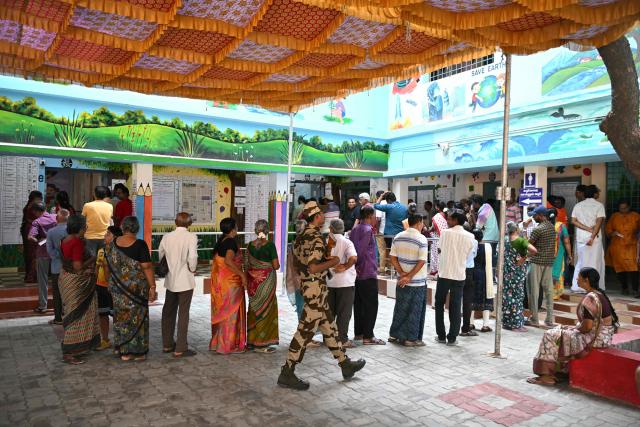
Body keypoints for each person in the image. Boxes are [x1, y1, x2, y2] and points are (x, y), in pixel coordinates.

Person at [278, 201, 365, 391]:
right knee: (304, 332)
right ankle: (287, 372)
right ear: (316, 217)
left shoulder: (301, 237)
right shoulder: (316, 238)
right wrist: (333, 260)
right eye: (322, 215)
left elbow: (304, 264)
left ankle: (345, 364)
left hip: (310, 288)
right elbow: (313, 267)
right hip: (315, 290)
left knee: (329, 328)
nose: (324, 217)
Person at [528, 268, 618, 386]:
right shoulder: (599, 294)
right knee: (561, 330)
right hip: (603, 337)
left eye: (579, 277)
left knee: (551, 334)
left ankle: (546, 375)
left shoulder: (590, 298)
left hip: (594, 339)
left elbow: (587, 327)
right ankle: (558, 371)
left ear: (586, 280)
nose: (576, 279)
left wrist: (573, 329)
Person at [104, 216, 156, 361]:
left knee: (120, 317)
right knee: (138, 318)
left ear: (123, 227)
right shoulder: (140, 244)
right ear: (136, 228)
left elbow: (106, 266)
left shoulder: (111, 244)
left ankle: (123, 350)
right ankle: (137, 352)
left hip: (118, 289)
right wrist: (152, 286)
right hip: (137, 290)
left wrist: (110, 283)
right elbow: (146, 266)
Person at [58, 215, 100, 364]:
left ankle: (77, 348)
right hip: (76, 282)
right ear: (80, 228)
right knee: (76, 315)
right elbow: (77, 266)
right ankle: (70, 352)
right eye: (85, 226)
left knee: (72, 312)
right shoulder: (76, 242)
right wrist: (93, 259)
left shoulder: (64, 240)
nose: (86, 229)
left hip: (65, 278)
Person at [159, 212, 199, 358]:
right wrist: (193, 269)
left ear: (175, 222)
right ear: (189, 223)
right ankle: (181, 347)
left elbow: (161, 254)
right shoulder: (191, 237)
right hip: (185, 280)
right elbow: (193, 257)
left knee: (168, 311)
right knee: (183, 313)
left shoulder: (166, 237)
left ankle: (167, 344)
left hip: (170, 279)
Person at [434, 209, 475, 346]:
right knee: (456, 305)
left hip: (445, 273)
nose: (447, 221)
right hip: (459, 274)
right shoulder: (470, 236)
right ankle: (452, 337)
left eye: (450, 219)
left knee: (439, 304)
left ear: (456, 220)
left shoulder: (445, 233)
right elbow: (469, 253)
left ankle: (440, 335)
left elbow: (439, 249)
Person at [388, 213, 429, 346]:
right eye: (422, 223)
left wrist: (402, 273)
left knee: (400, 308)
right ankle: (411, 339)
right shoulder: (422, 239)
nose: (423, 225)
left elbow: (392, 257)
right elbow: (421, 261)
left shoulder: (398, 237)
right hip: (417, 282)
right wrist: (410, 276)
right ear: (418, 223)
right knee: (415, 310)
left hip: (402, 280)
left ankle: (395, 335)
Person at [209, 218, 247, 354]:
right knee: (231, 313)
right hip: (230, 282)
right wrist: (242, 275)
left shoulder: (221, 241)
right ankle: (228, 344)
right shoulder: (230, 242)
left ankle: (217, 342)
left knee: (223, 310)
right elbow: (229, 261)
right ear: (232, 229)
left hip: (221, 282)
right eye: (236, 226)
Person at [350, 206, 385, 345]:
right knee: (371, 304)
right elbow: (361, 251)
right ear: (370, 216)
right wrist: (359, 266)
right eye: (375, 216)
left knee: (358, 304)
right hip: (366, 272)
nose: (376, 219)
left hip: (357, 273)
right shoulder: (367, 230)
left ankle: (358, 333)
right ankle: (368, 336)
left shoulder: (355, 229)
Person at [246, 219, 280, 353]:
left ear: (256, 230)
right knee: (267, 309)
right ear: (267, 231)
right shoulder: (270, 246)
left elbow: (247, 265)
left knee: (254, 308)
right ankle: (262, 344)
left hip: (254, 284)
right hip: (267, 283)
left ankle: (252, 341)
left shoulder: (250, 245)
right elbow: (276, 266)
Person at [326, 219, 357, 348]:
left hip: (329, 282)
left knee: (330, 312)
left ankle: (328, 338)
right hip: (345, 283)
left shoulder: (326, 242)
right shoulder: (347, 242)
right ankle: (342, 339)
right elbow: (353, 258)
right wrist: (345, 266)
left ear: (331, 229)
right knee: (344, 313)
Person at [503, 222, 537, 331]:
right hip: (517, 273)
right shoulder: (520, 241)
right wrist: (524, 257)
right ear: (516, 229)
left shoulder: (505, 240)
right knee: (517, 297)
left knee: (508, 297)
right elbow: (534, 250)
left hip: (507, 273)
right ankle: (516, 324)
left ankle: (507, 322)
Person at [526, 206, 557, 327]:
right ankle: (549, 319)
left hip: (536, 262)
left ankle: (534, 319)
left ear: (540, 215)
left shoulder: (538, 229)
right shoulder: (551, 227)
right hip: (548, 263)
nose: (533, 217)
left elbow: (528, 244)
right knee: (549, 291)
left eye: (535, 215)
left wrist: (524, 229)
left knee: (533, 291)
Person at [571, 185, 606, 291]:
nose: (599, 195)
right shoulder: (599, 205)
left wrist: (586, 229)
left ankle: (578, 287)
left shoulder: (578, 205)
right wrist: (592, 236)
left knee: (581, 262)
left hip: (582, 238)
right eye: (597, 193)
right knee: (595, 262)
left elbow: (573, 221)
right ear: (594, 194)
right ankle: (594, 287)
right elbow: (599, 223)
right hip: (594, 239)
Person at [605, 200, 640, 297]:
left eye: (624, 208)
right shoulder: (614, 216)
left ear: (629, 207)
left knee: (634, 268)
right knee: (620, 268)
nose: (622, 210)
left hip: (632, 245)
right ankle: (624, 287)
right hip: (618, 246)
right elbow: (608, 229)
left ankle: (635, 289)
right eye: (620, 208)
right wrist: (613, 233)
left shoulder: (636, 216)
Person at [95, 226, 122, 350]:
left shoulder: (119, 251)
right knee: (102, 314)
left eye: (108, 234)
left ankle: (119, 339)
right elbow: (97, 267)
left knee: (116, 314)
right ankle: (105, 340)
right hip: (101, 286)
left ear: (115, 237)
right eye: (105, 233)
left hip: (114, 287)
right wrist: (95, 282)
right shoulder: (101, 250)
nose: (105, 236)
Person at [29, 202, 58, 313]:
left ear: (36, 212)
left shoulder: (37, 221)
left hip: (43, 252)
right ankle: (61, 306)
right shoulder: (55, 217)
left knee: (43, 280)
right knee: (58, 279)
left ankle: (43, 306)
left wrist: (38, 241)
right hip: (56, 253)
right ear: (45, 208)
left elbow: (31, 236)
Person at [45, 208, 69, 325]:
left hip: (56, 267)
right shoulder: (72, 231)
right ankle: (69, 316)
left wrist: (59, 255)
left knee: (57, 293)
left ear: (57, 218)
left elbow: (49, 250)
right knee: (70, 291)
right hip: (70, 267)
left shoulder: (51, 232)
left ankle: (58, 318)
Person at [82, 186, 114, 256]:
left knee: (90, 260)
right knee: (102, 260)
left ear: (94, 194)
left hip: (90, 236)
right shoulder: (110, 206)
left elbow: (83, 220)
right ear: (105, 195)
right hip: (104, 237)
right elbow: (110, 219)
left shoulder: (87, 205)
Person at [460, 229, 479, 336]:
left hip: (458, 269)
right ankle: (465, 328)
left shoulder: (457, 238)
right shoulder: (474, 241)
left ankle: (455, 329)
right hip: (468, 271)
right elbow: (474, 255)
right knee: (467, 301)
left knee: (456, 299)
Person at [21, 190, 42, 283]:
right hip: (32, 231)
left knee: (29, 254)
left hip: (27, 230)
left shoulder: (28, 206)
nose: (41, 200)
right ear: (35, 198)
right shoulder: (34, 207)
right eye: (39, 198)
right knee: (34, 254)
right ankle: (31, 277)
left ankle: (28, 276)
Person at [552, 209, 572, 300]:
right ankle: (555, 294)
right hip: (558, 254)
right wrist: (570, 255)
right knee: (557, 271)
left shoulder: (543, 225)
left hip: (546, 254)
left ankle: (547, 293)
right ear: (557, 216)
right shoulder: (561, 226)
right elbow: (567, 241)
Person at [429, 201, 448, 275]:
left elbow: (433, 228)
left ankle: (436, 271)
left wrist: (428, 230)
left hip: (437, 239)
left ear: (437, 207)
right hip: (446, 238)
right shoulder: (446, 215)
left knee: (436, 255)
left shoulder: (437, 216)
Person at [374, 190, 388, 273]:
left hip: (381, 230)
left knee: (382, 250)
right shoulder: (389, 203)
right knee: (388, 249)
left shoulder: (380, 204)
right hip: (389, 231)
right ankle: (389, 268)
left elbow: (378, 219)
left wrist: (377, 230)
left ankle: (382, 269)